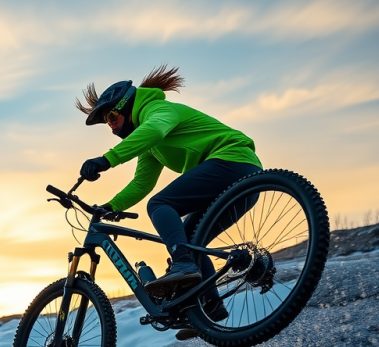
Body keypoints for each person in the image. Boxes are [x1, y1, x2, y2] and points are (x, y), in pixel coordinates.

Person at [76, 65, 263, 314]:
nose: (111, 128)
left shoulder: (158, 110)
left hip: (232, 162)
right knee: (189, 239)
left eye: (111, 118)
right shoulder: (151, 146)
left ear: (127, 107)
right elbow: (142, 183)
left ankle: (183, 265)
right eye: (107, 124)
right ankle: (210, 307)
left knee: (159, 205)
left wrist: (107, 159)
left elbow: (153, 129)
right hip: (235, 178)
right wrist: (111, 206)